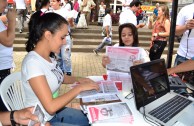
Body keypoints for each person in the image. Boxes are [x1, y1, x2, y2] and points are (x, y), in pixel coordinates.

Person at [22, 11, 99, 125]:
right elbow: (51, 107)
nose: (64, 42)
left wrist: (79, 79)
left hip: (53, 114)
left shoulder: (49, 57)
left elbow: (59, 77)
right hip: (41, 121)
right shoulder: (33, 63)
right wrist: (79, 88)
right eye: (62, 37)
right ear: (48, 35)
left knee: (92, 120)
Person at [0, 0, 16, 111]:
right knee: (7, 107)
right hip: (1, 71)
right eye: (3, 0)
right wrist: (12, 20)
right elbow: (8, 40)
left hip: (3, 69)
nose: (6, 4)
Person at [50, 0, 73, 76]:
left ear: (59, 2)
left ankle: (68, 71)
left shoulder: (65, 11)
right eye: (50, 1)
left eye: (53, 1)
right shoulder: (50, 13)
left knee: (66, 56)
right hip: (55, 38)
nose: (51, 3)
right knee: (58, 57)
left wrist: (69, 21)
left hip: (65, 37)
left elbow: (71, 24)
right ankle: (61, 71)